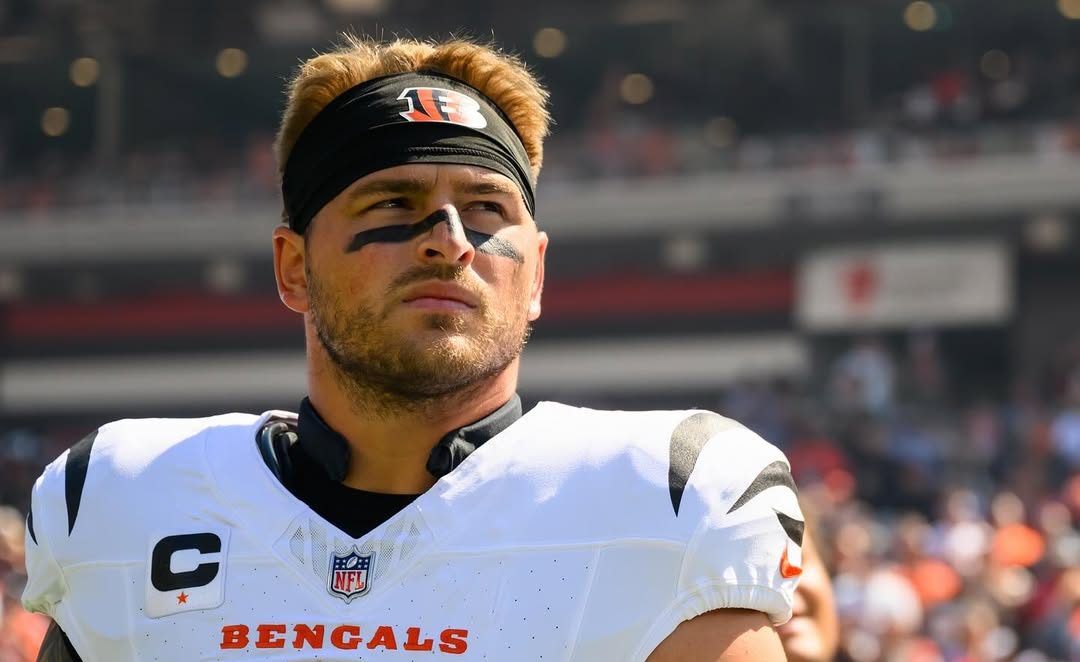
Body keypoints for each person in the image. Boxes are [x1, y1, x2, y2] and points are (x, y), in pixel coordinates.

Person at [22, 35, 804, 661]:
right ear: (294, 267)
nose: (450, 242)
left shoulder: (671, 493)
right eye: (393, 201)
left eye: (487, 208)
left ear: (534, 273)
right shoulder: (122, 499)